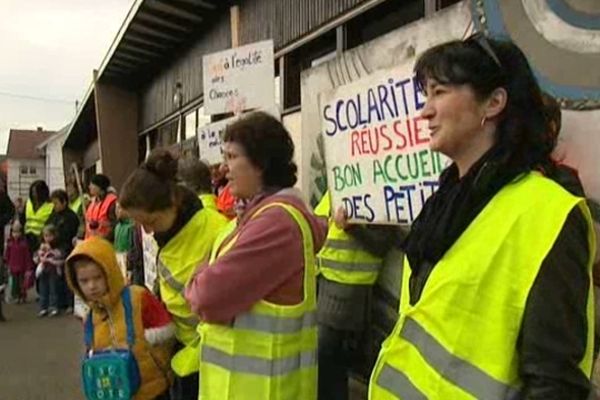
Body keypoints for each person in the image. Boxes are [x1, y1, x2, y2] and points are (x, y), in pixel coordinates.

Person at [368, 34, 596, 400]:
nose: (425, 110)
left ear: (493, 102)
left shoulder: (547, 211)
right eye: (426, 95)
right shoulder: (445, 201)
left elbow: (555, 382)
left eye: (439, 92)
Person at [185, 111, 328, 400]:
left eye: (232, 156)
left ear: (261, 162)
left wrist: (199, 274)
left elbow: (205, 297)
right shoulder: (262, 216)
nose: (224, 168)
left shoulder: (276, 223)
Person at [119, 149, 228, 400]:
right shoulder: (171, 236)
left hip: (209, 361)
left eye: (152, 222)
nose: (147, 231)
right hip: (180, 354)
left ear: (173, 203)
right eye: (141, 224)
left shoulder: (216, 230)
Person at [314, 190, 404, 400]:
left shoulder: (376, 191)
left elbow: (381, 245)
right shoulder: (339, 186)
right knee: (327, 362)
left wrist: (352, 228)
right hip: (326, 281)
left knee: (329, 360)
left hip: (349, 288)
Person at [66, 237, 174, 400]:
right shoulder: (90, 316)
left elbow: (167, 329)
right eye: (84, 281)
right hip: (116, 392)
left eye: (97, 278)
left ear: (110, 272)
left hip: (152, 390)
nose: (92, 286)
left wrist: (145, 340)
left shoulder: (136, 297)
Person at [47, 189, 80, 313]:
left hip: (66, 250)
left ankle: (69, 303)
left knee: (67, 277)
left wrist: (54, 240)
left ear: (64, 202)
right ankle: (58, 302)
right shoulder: (53, 215)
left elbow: (67, 234)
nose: (54, 206)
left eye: (56, 203)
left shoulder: (70, 217)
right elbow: (46, 228)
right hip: (53, 250)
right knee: (54, 277)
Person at [34, 224, 64, 317]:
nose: (47, 238)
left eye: (49, 236)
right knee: (43, 289)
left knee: (53, 289)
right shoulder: (41, 246)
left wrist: (51, 253)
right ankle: (43, 307)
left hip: (53, 270)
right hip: (43, 270)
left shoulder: (58, 246)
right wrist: (38, 257)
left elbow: (60, 256)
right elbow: (36, 256)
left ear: (54, 236)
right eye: (45, 236)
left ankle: (54, 307)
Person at [4, 220, 33, 304]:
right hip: (13, 266)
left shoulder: (24, 244)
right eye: (14, 232)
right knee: (14, 283)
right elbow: (7, 255)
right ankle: (16, 296)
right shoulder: (10, 243)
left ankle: (22, 296)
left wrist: (28, 267)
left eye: (18, 232)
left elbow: (27, 256)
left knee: (22, 283)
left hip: (22, 267)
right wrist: (7, 263)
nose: (16, 234)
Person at [85, 174, 117, 241]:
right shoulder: (92, 203)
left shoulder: (111, 202)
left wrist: (103, 239)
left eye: (92, 184)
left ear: (99, 187)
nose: (89, 187)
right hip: (92, 243)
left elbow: (114, 225)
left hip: (106, 243)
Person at [25, 180, 53, 253]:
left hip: (41, 239)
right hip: (27, 237)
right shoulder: (28, 203)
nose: (34, 195)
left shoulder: (50, 206)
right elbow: (23, 219)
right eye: (32, 192)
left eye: (36, 192)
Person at [114, 203, 135, 278]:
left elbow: (131, 248)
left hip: (126, 261)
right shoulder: (117, 227)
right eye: (116, 208)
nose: (117, 211)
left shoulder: (131, 227)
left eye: (119, 208)